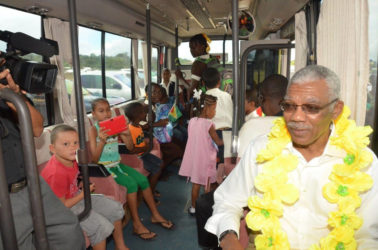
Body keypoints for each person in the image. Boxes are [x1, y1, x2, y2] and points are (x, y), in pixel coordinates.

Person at [205, 65, 378, 249]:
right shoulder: (261, 149)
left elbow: (368, 237)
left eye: (311, 108)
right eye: (289, 106)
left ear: (336, 110)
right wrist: (228, 237)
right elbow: (227, 200)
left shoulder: (364, 164)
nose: (296, 117)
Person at [195, 75, 287, 249]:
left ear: (261, 99)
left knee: (204, 203)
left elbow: (238, 171)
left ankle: (209, 244)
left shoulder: (254, 128)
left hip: (255, 200)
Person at [0, 69, 85, 250]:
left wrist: (14, 96)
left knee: (68, 231)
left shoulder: (10, 97)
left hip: (31, 183)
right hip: (4, 194)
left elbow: (37, 128)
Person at [88, 98, 173, 241]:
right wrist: (102, 141)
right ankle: (137, 224)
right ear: (94, 114)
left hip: (118, 164)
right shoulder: (93, 130)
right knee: (132, 184)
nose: (107, 114)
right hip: (105, 168)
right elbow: (95, 159)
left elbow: (129, 147)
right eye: (101, 111)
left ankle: (155, 215)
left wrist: (126, 135)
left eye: (108, 109)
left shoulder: (114, 126)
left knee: (142, 180)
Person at [41, 125, 129, 250]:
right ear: (52, 149)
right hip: (60, 209)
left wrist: (81, 185)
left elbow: (72, 182)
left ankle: (120, 247)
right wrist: (83, 193)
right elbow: (62, 205)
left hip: (75, 196)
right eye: (66, 144)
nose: (72, 147)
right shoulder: (55, 173)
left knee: (115, 209)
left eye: (75, 142)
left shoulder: (73, 159)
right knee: (101, 227)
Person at [179, 95, 223, 215]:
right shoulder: (209, 125)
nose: (214, 112)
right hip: (206, 159)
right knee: (207, 186)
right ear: (206, 109)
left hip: (195, 159)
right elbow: (218, 142)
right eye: (213, 109)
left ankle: (193, 208)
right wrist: (227, 139)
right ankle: (205, 209)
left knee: (196, 184)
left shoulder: (192, 121)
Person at [124, 102, 163, 197]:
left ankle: (150, 188)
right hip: (137, 156)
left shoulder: (137, 126)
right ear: (138, 115)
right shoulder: (130, 130)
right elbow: (131, 149)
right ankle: (151, 192)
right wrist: (145, 147)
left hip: (143, 153)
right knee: (158, 169)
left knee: (161, 163)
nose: (145, 114)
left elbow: (141, 133)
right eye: (143, 112)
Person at [203, 67, 233, 164]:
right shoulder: (227, 96)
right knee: (226, 163)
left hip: (213, 135)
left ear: (203, 83)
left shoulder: (203, 98)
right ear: (219, 81)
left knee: (214, 164)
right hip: (230, 132)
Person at [175, 33, 212, 99]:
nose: (191, 51)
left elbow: (192, 90)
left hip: (207, 99)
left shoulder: (198, 64)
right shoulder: (213, 59)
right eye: (190, 48)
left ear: (203, 47)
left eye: (194, 48)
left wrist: (180, 77)